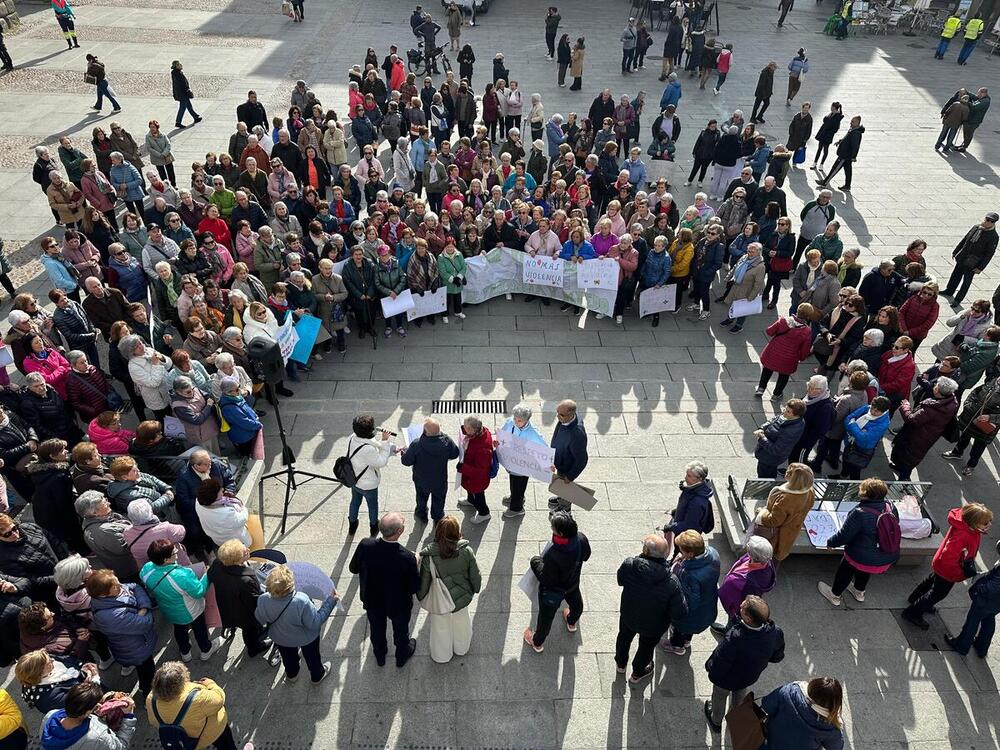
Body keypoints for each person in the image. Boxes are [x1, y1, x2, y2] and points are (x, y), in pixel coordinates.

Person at [902, 502, 992, 630]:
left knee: (931, 581)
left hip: (942, 567)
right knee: (937, 594)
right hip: (948, 571)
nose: (989, 525)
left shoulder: (965, 526)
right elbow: (948, 557)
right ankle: (913, 613)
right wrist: (958, 573)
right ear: (973, 522)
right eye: (985, 523)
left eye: (989, 521)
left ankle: (914, 599)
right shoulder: (964, 535)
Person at [703, 595, 785, 734]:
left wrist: (711, 670)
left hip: (726, 679)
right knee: (740, 694)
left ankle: (716, 720)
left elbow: (721, 662)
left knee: (719, 696)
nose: (740, 606)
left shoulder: (735, 638)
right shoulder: (775, 632)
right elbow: (777, 656)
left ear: (748, 619)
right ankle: (735, 717)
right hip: (748, 676)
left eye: (743, 607)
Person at [348, 512, 420, 667]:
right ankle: (402, 655)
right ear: (399, 532)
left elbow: (353, 568)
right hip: (399, 603)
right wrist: (416, 562)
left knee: (376, 628)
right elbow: (414, 587)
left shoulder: (365, 545)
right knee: (401, 631)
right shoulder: (407, 557)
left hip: (373, 599)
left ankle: (380, 655)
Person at [613, 533, 686, 681]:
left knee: (624, 638)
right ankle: (638, 672)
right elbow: (680, 612)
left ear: (645, 551)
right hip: (654, 625)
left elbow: (620, 580)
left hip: (629, 615)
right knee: (646, 648)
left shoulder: (630, 565)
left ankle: (621, 664)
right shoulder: (672, 582)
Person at [818, 478, 900, 606]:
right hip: (885, 555)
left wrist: (831, 543)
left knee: (845, 571)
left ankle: (835, 595)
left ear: (865, 494)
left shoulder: (860, 513)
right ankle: (859, 592)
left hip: (859, 555)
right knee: (865, 569)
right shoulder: (890, 507)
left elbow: (844, 535)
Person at [140, 539, 221, 662]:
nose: (177, 552)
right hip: (191, 611)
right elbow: (199, 592)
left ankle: (185, 652)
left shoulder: (146, 569)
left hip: (169, 610)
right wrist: (206, 575)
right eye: (174, 552)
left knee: (180, 630)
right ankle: (206, 650)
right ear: (166, 560)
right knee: (200, 630)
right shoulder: (181, 575)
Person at [256, 564, 336, 683]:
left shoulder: (263, 599)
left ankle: (292, 675)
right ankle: (317, 676)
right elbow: (315, 622)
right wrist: (331, 601)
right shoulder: (301, 600)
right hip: (306, 638)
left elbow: (260, 618)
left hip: (281, 638)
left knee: (288, 657)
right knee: (312, 657)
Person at [524, 511, 591, 653]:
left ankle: (537, 642)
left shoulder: (554, 554)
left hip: (553, 593)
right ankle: (571, 621)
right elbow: (586, 556)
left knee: (545, 619)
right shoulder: (581, 539)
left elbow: (546, 578)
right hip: (572, 584)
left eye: (552, 527)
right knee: (577, 605)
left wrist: (535, 561)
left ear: (560, 533)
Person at [417, 515, 481, 663]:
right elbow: (475, 576)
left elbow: (424, 583)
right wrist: (475, 589)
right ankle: (462, 648)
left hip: (440, 600)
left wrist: (421, 596)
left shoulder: (429, 557)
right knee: (462, 622)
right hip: (462, 597)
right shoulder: (466, 551)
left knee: (440, 628)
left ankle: (441, 656)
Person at [87, 569, 158, 695]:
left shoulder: (107, 595)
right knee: (148, 672)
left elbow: (135, 586)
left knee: (143, 670)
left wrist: (143, 608)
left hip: (136, 644)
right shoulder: (112, 616)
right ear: (103, 594)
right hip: (137, 649)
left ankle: (143, 686)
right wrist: (147, 610)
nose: (120, 585)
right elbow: (146, 623)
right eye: (115, 586)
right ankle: (148, 696)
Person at [146, 661, 240, 750]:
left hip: (185, 741)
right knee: (226, 746)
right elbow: (219, 699)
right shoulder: (197, 698)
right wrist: (210, 683)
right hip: (211, 733)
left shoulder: (151, 699)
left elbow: (153, 721)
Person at [207, 539, 270, 658]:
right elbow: (254, 603)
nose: (248, 549)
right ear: (237, 561)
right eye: (244, 552)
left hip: (226, 605)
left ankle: (230, 629)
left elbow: (210, 577)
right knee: (250, 631)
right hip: (244, 614)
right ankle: (254, 649)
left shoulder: (217, 564)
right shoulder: (245, 581)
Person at [890, 377, 959, 481]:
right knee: (909, 456)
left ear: (937, 390)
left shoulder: (932, 408)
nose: (934, 386)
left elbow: (912, 419)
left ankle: (904, 478)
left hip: (917, 436)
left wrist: (905, 407)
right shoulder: (950, 402)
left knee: (909, 457)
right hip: (927, 435)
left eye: (936, 386)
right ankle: (900, 468)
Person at [40, 682, 136, 750]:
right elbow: (121, 746)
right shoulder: (97, 736)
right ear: (86, 712)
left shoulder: (49, 716)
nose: (99, 706)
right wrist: (128, 716)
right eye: (96, 705)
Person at [400, 417, 460, 525]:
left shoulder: (416, 444)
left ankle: (421, 514)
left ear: (425, 431)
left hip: (421, 480)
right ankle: (437, 517)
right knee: (439, 499)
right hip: (439, 480)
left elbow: (406, 461)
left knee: (421, 497)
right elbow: (455, 453)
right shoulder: (446, 441)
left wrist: (404, 452)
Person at [343, 414, 395, 537]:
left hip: (354, 480)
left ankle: (352, 524)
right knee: (372, 506)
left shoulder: (352, 438)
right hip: (368, 484)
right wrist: (385, 441)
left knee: (355, 501)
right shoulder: (368, 450)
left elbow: (368, 441)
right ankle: (373, 526)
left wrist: (381, 442)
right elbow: (381, 461)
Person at [712, 535, 777, 634]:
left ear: (752, 555)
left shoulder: (747, 581)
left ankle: (729, 631)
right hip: (745, 600)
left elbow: (733, 598)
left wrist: (733, 610)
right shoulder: (767, 561)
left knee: (734, 620)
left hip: (738, 606)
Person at [946, 539, 1000, 657]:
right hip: (996, 603)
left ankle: (961, 645)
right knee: (989, 620)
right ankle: (982, 647)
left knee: (972, 621)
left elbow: (992, 588)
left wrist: (979, 586)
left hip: (986, 600)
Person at [752, 462, 815, 561]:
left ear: (796, 481)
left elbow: (773, 521)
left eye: (791, 473)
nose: (787, 472)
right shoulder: (810, 491)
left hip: (778, 534)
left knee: (766, 556)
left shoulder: (786, 499)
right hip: (792, 529)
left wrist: (762, 512)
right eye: (789, 468)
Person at [758, 677, 845, 749]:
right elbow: (836, 747)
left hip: (767, 743)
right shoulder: (831, 728)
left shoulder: (790, 690)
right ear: (834, 704)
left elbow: (766, 704)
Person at [942, 374, 1000, 476]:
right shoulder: (992, 381)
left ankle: (971, 465)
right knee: (965, 436)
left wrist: (990, 417)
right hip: (972, 418)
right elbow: (975, 392)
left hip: (986, 425)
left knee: (979, 446)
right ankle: (957, 452)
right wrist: (968, 404)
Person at [756, 303, 817, 399]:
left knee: (767, 369)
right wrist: (801, 357)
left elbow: (769, 331)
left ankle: (761, 389)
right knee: (784, 376)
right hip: (789, 358)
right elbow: (805, 349)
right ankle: (776, 395)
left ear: (797, 311)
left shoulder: (784, 320)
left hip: (774, 351)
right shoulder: (807, 331)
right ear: (808, 316)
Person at [942, 213, 998, 306]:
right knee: (955, 275)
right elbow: (965, 240)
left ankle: (958, 299)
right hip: (963, 256)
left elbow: (989, 254)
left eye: (990, 221)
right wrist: (956, 251)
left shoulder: (993, 236)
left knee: (966, 281)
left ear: (993, 223)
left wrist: (980, 267)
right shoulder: (976, 227)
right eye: (987, 219)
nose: (987, 222)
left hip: (973, 262)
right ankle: (949, 290)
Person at [548, 399, 588, 512]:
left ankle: (564, 509)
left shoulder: (577, 434)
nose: (557, 416)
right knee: (560, 484)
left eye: (561, 415)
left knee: (566, 487)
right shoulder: (565, 419)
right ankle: (561, 498)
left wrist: (570, 476)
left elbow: (582, 460)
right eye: (557, 412)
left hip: (567, 467)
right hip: (560, 461)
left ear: (571, 414)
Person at [838, 397, 891, 480]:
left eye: (876, 411)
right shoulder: (867, 408)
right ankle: (843, 476)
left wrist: (852, 424)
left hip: (862, 449)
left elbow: (863, 438)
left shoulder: (883, 423)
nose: (872, 412)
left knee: (855, 469)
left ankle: (853, 485)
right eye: (872, 408)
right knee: (845, 461)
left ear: (883, 411)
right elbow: (847, 419)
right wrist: (859, 431)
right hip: (850, 442)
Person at [753, 398, 806, 478]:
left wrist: (762, 437)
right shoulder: (788, 417)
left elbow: (776, 449)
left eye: (788, 411)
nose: (784, 411)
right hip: (767, 454)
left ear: (796, 415)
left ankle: (765, 487)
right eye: (785, 408)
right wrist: (762, 428)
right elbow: (774, 420)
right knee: (768, 471)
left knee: (765, 475)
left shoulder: (791, 431)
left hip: (770, 458)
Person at [458, 416, 493, 523]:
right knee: (471, 491)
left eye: (467, 428)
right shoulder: (480, 431)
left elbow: (480, 471)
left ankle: (484, 513)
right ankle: (470, 500)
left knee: (478, 495)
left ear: (474, 429)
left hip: (477, 479)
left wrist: (463, 468)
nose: (464, 429)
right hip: (470, 475)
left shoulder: (483, 449)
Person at [664, 461, 714, 537]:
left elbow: (689, 525)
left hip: (686, 537)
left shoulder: (697, 502)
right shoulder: (693, 488)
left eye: (689, 476)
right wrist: (677, 511)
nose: (685, 477)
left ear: (699, 479)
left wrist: (671, 528)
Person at [195, 478, 249, 548]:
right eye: (219, 491)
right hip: (235, 540)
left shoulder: (198, 502)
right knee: (243, 550)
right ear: (214, 497)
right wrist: (244, 509)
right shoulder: (225, 514)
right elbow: (243, 518)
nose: (222, 489)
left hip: (218, 538)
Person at [816, 115, 863, 192]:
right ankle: (847, 186)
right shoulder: (853, 130)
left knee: (835, 168)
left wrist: (854, 156)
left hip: (845, 155)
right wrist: (840, 141)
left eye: (853, 121)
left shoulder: (856, 133)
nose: (850, 123)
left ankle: (825, 182)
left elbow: (855, 146)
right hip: (846, 155)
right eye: (851, 121)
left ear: (857, 123)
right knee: (848, 170)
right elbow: (847, 139)